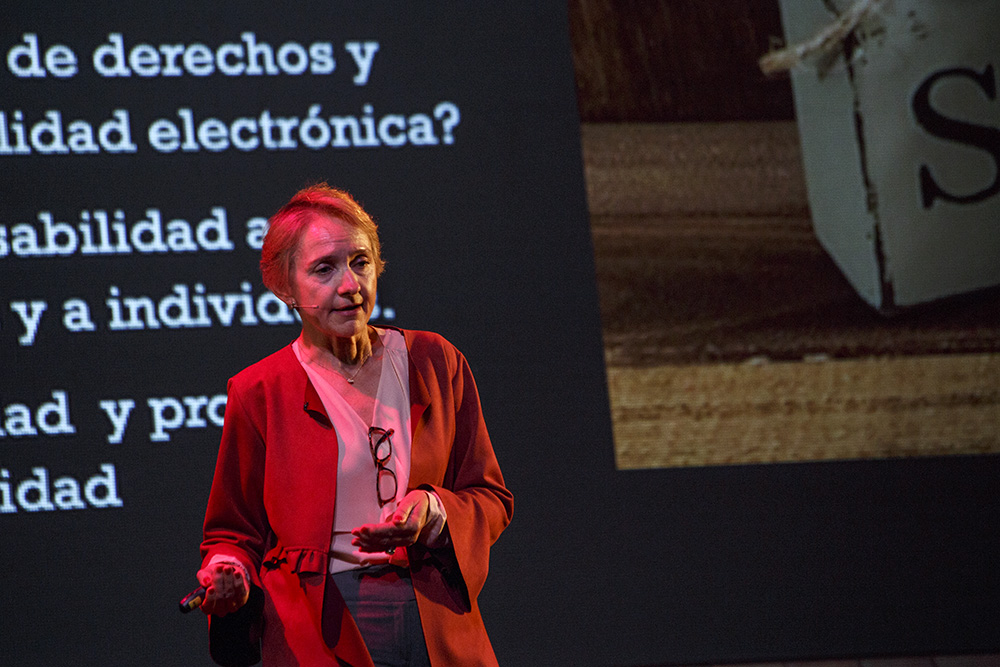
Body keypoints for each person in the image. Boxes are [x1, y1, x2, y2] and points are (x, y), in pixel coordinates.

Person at [194, 183, 513, 666]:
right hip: (321, 625)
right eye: (324, 269)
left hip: (433, 613)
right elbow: (233, 534)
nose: (350, 285)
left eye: (360, 262)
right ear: (284, 287)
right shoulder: (258, 391)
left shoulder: (435, 361)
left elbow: (490, 496)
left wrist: (433, 511)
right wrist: (228, 572)